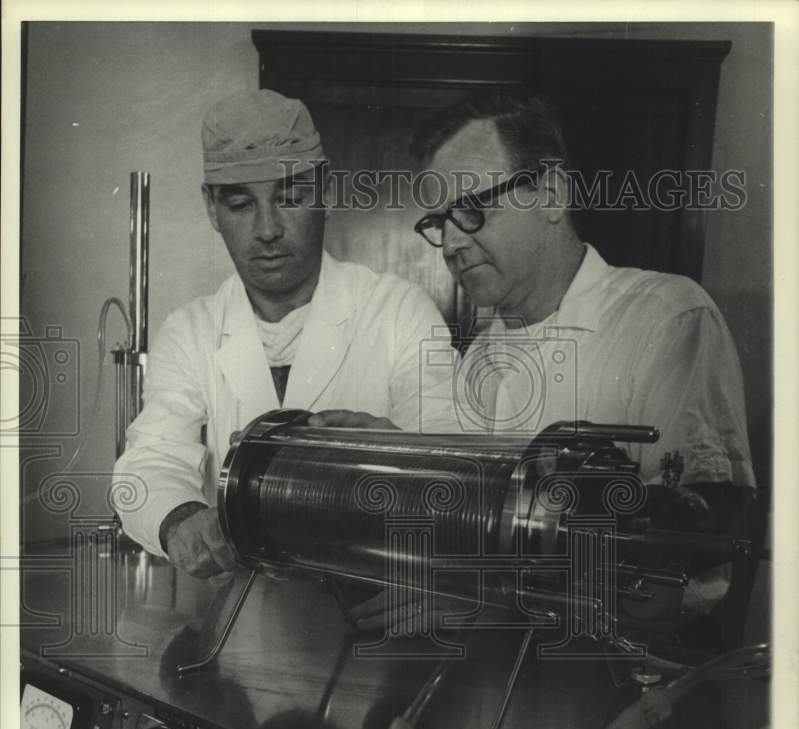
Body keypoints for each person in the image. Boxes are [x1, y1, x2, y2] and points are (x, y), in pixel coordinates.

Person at [409, 91, 756, 633]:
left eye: (472, 210)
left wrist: (487, 599)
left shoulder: (667, 319)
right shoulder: (482, 350)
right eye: (439, 221)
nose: (451, 242)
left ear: (551, 194)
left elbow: (696, 557)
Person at [113, 89, 457, 579]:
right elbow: (151, 458)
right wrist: (181, 521)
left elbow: (457, 456)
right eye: (240, 204)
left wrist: (400, 452)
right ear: (212, 209)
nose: (268, 229)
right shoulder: (190, 331)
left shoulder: (399, 311)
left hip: (371, 604)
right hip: (239, 613)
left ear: (326, 193)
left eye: (290, 198)